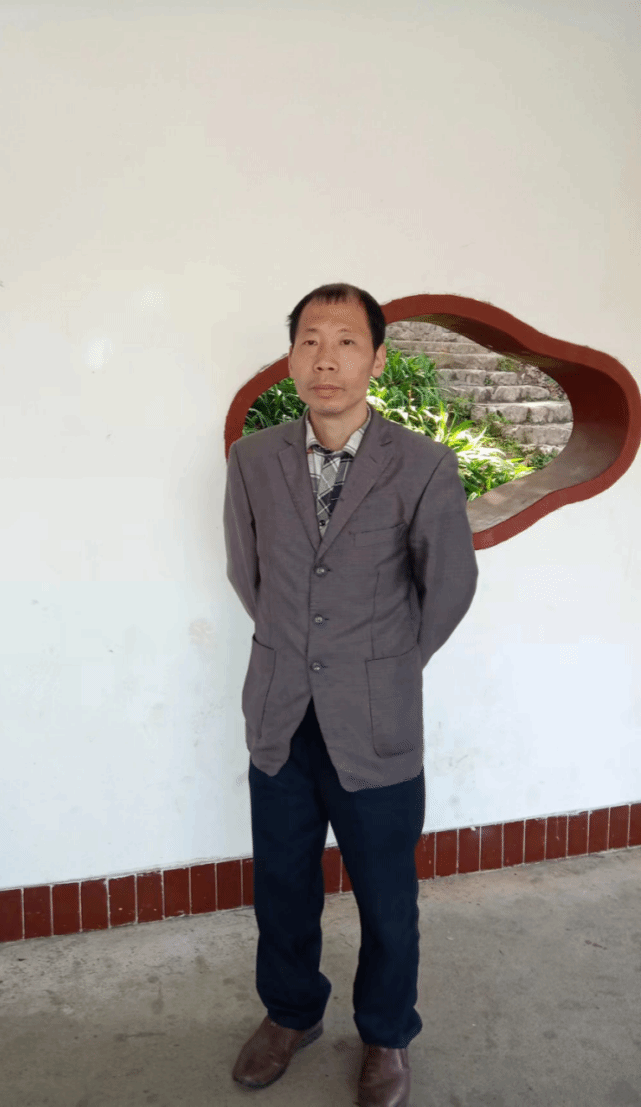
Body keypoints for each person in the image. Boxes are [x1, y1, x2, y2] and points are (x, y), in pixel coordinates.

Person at [223, 283, 479, 1106]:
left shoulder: (423, 464)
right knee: (282, 884)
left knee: (386, 894)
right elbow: (248, 574)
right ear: (291, 356)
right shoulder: (254, 460)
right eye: (309, 340)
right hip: (281, 713)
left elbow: (448, 586)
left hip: (376, 721)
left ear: (376, 358)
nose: (325, 358)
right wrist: (300, 654)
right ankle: (290, 1011)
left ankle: (386, 1033)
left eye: (344, 341)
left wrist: (382, 664)